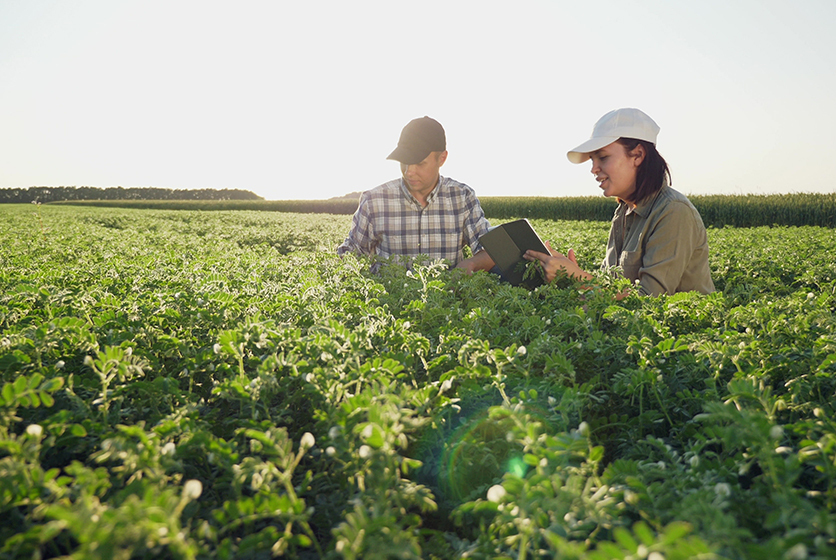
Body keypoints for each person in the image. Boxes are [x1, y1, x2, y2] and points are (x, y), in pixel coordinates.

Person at [525, 108, 714, 296]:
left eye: (603, 157)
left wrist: (579, 279)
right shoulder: (623, 211)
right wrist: (573, 277)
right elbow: (614, 290)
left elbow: (649, 301)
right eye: (592, 160)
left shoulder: (673, 211)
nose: (594, 169)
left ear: (638, 155)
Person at [337, 116, 496, 273]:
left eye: (420, 163)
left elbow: (491, 249)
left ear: (442, 158)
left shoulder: (462, 198)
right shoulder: (374, 202)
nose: (409, 171)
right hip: (389, 298)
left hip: (447, 298)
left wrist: (471, 264)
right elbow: (351, 252)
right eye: (404, 161)